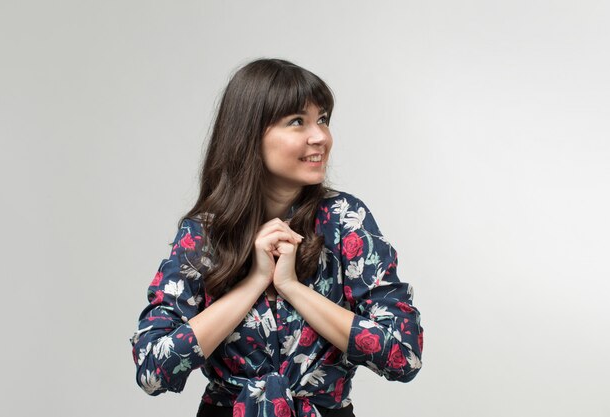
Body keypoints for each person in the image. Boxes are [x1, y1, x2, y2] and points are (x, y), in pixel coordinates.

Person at [130, 58, 424, 417]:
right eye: (297, 121)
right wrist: (254, 281)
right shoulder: (205, 233)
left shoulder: (346, 221)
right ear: (250, 134)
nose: (320, 136)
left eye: (323, 119)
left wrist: (291, 287)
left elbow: (402, 356)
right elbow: (152, 370)